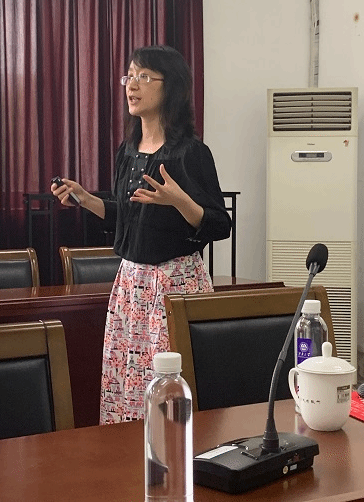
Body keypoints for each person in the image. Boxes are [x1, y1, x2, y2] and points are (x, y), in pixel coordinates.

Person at [51, 45, 231, 423]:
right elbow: (128, 215)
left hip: (175, 284)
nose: (131, 85)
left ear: (171, 87)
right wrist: (86, 199)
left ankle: (180, 455)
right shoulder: (127, 151)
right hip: (131, 285)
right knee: (128, 390)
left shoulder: (191, 153)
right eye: (129, 76)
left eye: (144, 77)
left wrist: (181, 201)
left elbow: (219, 224)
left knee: (171, 396)